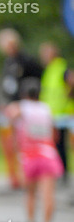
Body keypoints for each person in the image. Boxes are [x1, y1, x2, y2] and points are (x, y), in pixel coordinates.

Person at [6, 80, 63, 222]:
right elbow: (55, 134)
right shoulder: (47, 109)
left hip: (29, 156)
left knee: (30, 193)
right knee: (48, 195)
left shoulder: (21, 107)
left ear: (24, 94)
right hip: (47, 154)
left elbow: (10, 116)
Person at [0, 29, 43, 189]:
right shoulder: (8, 62)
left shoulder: (27, 61)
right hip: (11, 108)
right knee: (10, 143)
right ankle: (15, 178)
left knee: (26, 143)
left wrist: (25, 103)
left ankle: (30, 176)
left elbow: (35, 83)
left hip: (25, 108)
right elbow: (8, 85)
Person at [38, 42, 74, 183]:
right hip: (53, 114)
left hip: (65, 113)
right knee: (56, 145)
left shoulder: (61, 68)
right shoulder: (49, 70)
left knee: (63, 146)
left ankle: (63, 173)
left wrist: (69, 97)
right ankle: (60, 172)